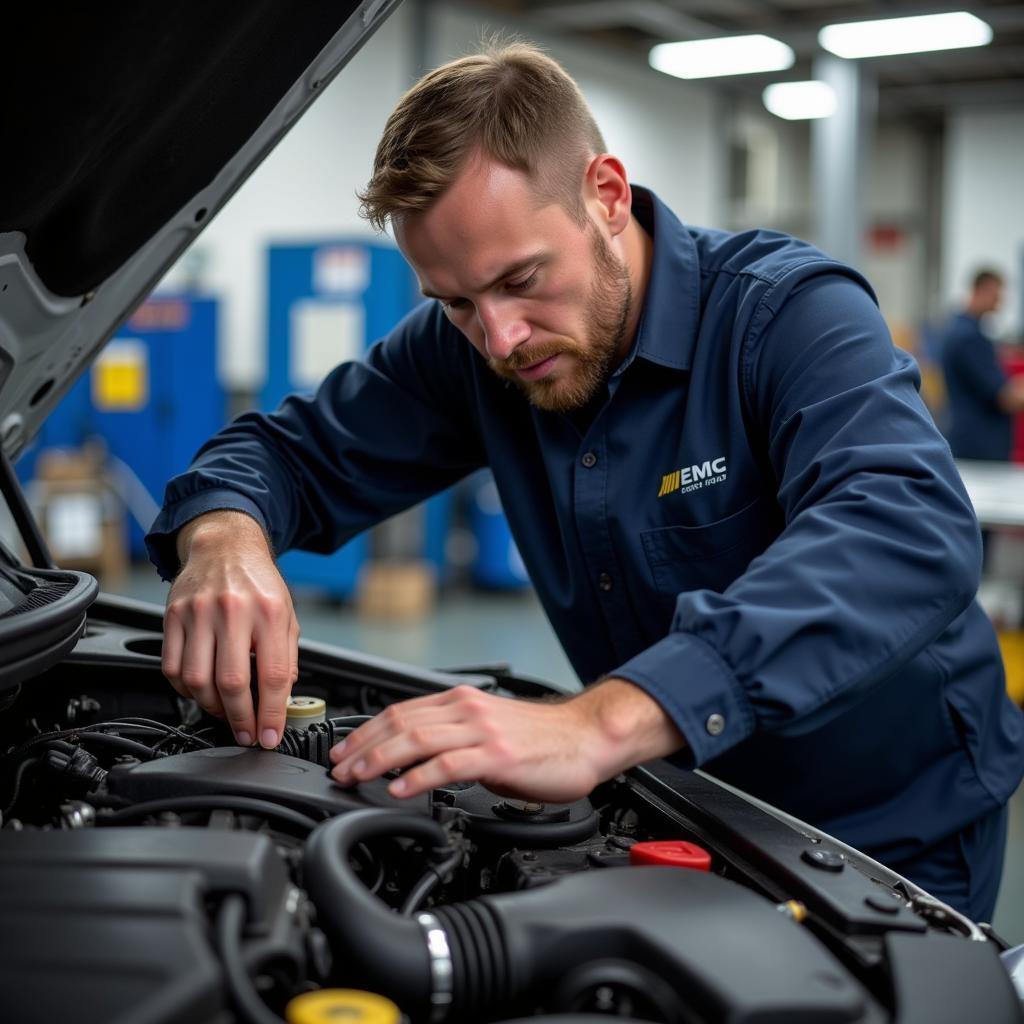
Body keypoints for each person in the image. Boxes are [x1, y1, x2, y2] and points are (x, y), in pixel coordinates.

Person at [146, 43, 1023, 921]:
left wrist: (598, 722)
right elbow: (287, 452)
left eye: (521, 279)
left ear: (605, 194)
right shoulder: (475, 346)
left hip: (888, 826)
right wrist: (224, 537)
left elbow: (902, 529)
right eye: (454, 301)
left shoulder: (786, 316)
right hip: (683, 808)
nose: (499, 339)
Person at [941, 268, 1024, 461]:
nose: (1000, 300)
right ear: (982, 290)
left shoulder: (960, 329)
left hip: (973, 443)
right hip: (979, 448)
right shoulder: (969, 338)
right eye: (997, 293)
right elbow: (1006, 398)